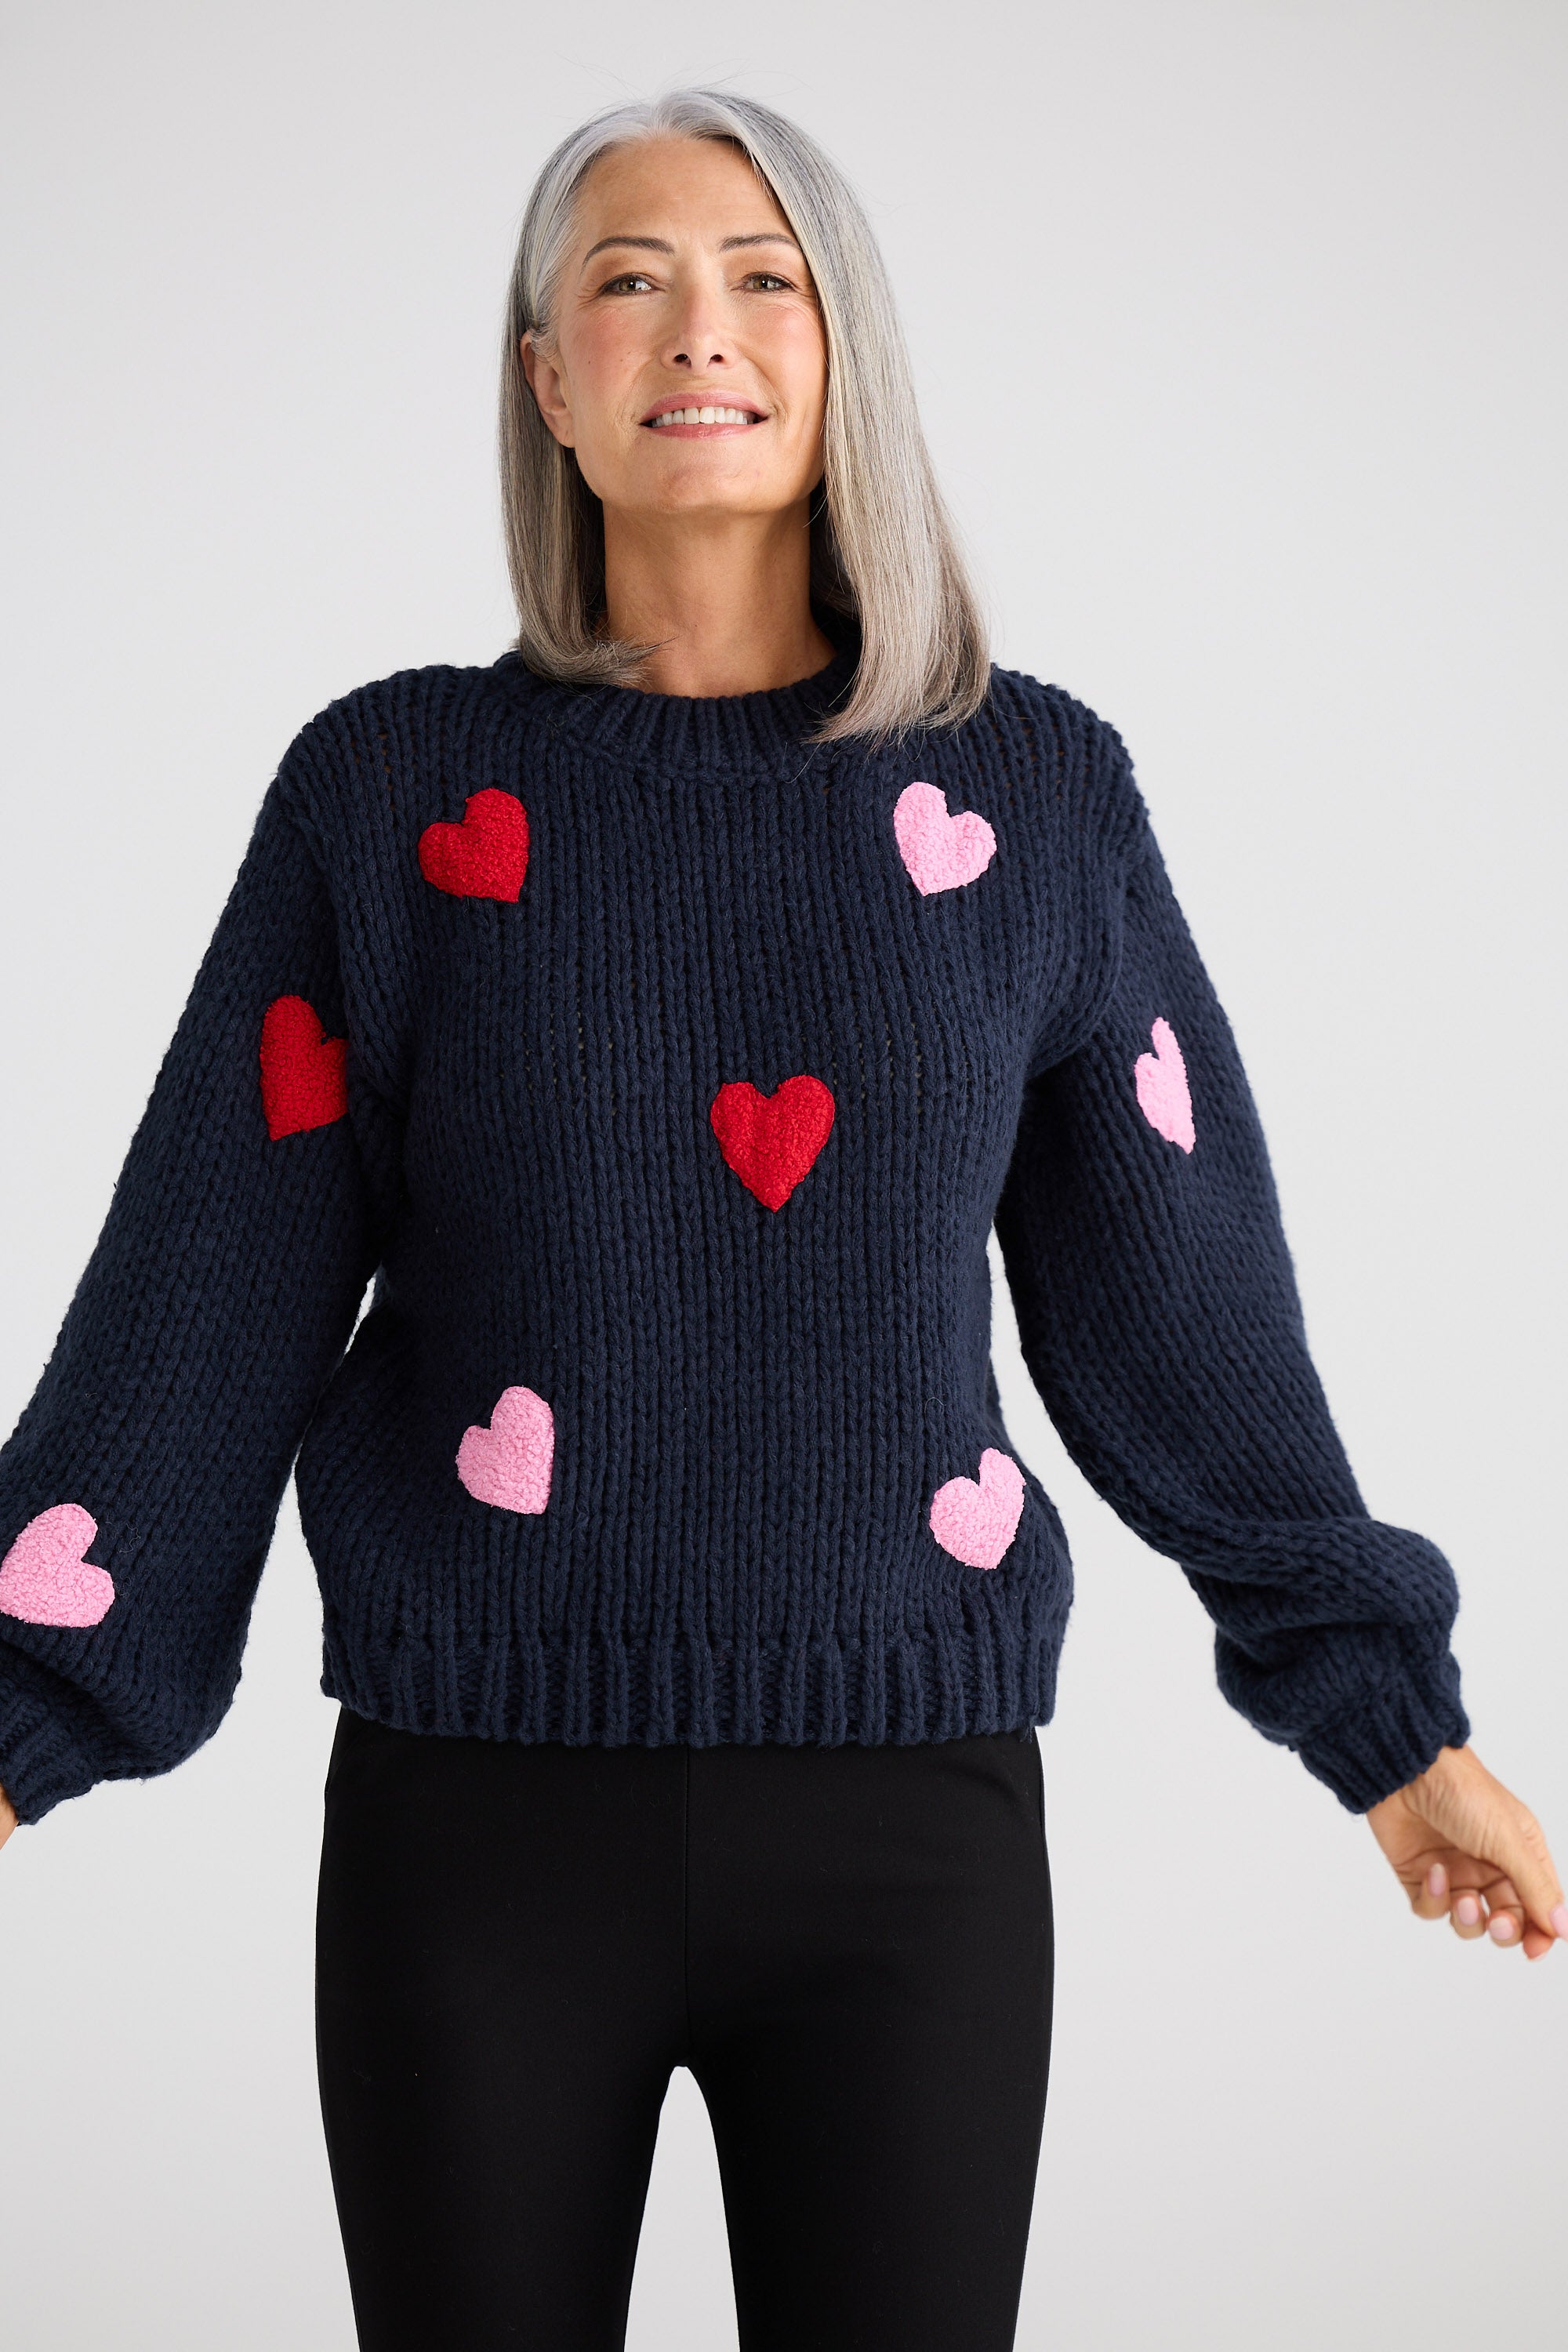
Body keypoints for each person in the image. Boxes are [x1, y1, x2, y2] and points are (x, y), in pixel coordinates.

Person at [0, 86, 1560, 2352]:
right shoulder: (393, 791)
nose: (695, 328)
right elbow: (207, 1284)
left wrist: (1391, 1733)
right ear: (547, 376)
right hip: (476, 1826)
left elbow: (1177, 1299)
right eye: (623, 279)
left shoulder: (1030, 791)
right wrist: (24, 1720)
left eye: (762, 275)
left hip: (911, 1833)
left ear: (847, 352)